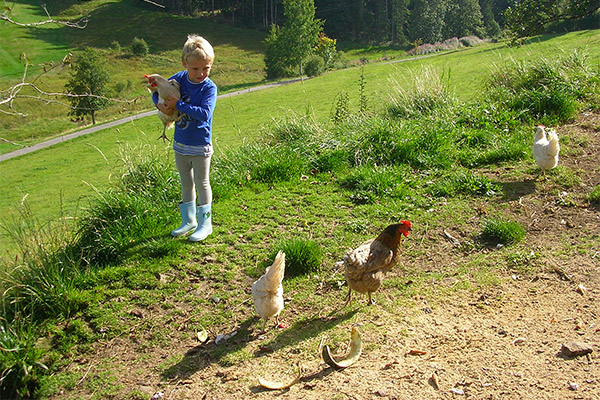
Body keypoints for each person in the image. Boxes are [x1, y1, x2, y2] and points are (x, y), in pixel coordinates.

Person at [153, 34, 217, 242]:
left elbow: (204, 113)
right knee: (185, 182)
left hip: (200, 145)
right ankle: (188, 221)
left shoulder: (209, 88)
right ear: (184, 64)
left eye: (206, 68)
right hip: (180, 143)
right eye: (195, 69)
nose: (201, 73)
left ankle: (205, 224)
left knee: (202, 183)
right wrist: (159, 104)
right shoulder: (179, 78)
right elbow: (157, 89)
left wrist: (177, 105)